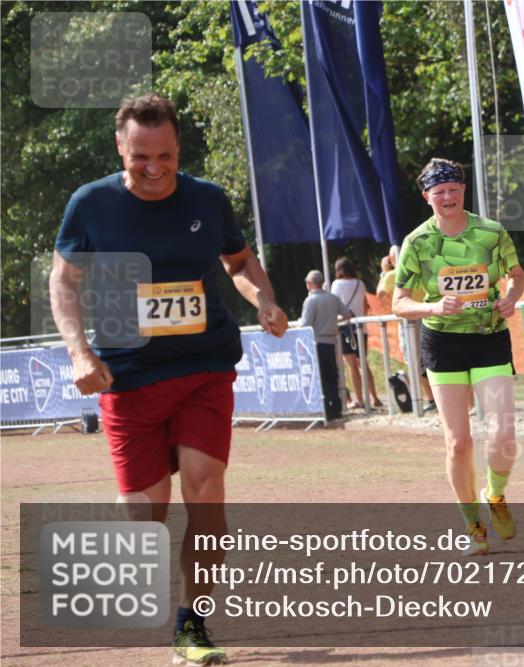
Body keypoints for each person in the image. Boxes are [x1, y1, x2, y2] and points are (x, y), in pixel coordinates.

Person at [48, 94, 288, 665]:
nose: (154, 168)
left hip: (204, 367)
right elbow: (64, 285)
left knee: (205, 490)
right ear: (120, 149)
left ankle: (192, 624)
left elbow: (239, 262)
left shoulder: (207, 198)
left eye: (166, 156)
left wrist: (266, 300)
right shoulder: (90, 205)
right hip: (127, 375)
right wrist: (79, 353)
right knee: (143, 515)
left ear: (179, 148)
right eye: (141, 158)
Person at [393, 157, 524, 556]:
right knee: (458, 443)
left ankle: (495, 495)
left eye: (453, 189)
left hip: (488, 337)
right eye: (439, 192)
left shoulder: (491, 232)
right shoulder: (417, 243)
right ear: (427, 197)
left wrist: (511, 299)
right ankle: (473, 526)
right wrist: (432, 308)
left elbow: (516, 275)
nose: (447, 197)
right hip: (443, 343)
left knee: (503, 434)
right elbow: (399, 303)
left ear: (462, 191)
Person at [377, 245, 435, 411]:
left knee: (415, 362)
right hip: (428, 318)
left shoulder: (393, 274)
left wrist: (384, 272)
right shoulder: (419, 270)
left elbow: (380, 294)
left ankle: (429, 399)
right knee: (429, 359)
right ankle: (434, 397)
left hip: (409, 322)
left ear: (393, 259)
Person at [331, 256, 383, 409]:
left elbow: (336, 306)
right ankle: (374, 397)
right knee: (363, 363)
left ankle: (360, 399)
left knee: (351, 365)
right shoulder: (360, 284)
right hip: (361, 327)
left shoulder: (337, 284)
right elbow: (365, 306)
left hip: (345, 328)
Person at [299, 269, 351, 420]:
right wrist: (334, 321)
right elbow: (347, 314)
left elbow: (306, 323)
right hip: (331, 341)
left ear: (309, 284)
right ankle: (336, 407)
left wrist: (298, 323)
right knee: (332, 376)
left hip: (316, 343)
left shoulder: (310, 300)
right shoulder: (333, 298)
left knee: (321, 377)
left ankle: (326, 409)